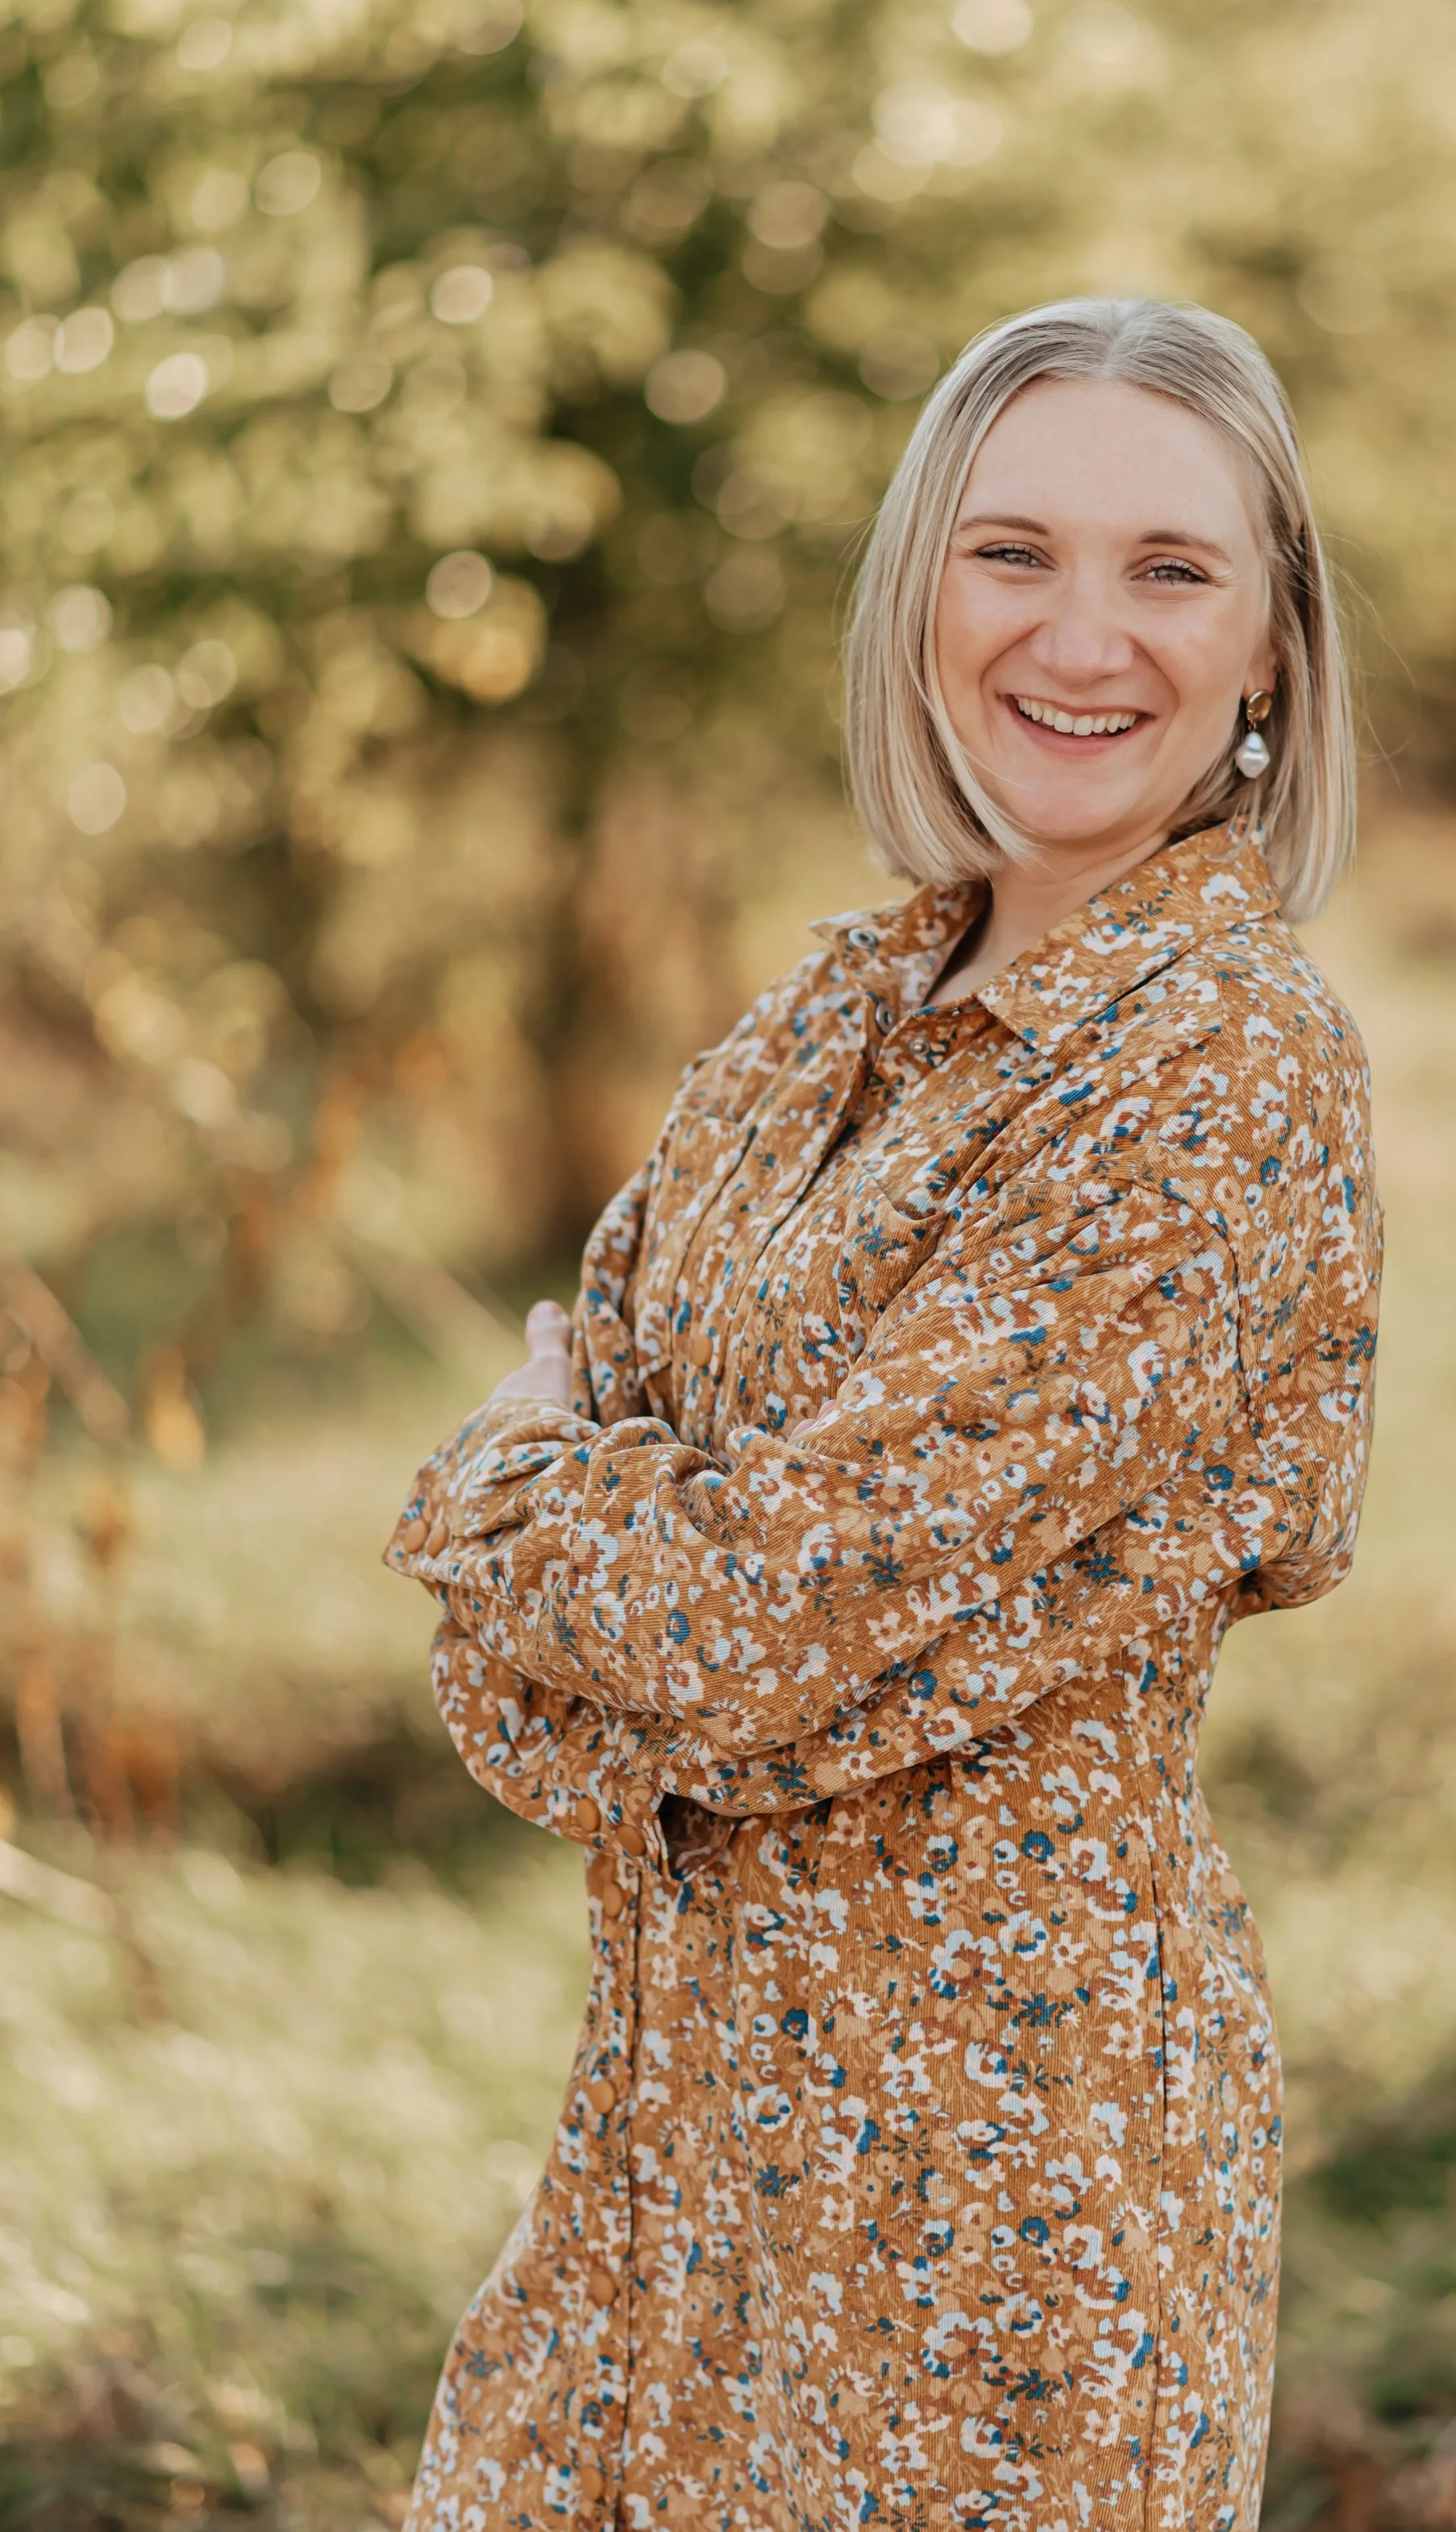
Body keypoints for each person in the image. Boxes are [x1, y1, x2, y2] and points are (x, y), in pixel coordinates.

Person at [385, 294, 1383, 2532]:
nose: (1080, 634)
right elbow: (547, 1695)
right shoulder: (832, 1011)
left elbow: (742, 1627)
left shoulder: (1215, 1071)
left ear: (1272, 654)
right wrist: (622, 1607)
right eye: (1012, 549)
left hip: (995, 2209)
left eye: (1171, 568)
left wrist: (513, 1480)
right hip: (669, 2155)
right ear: (919, 584)